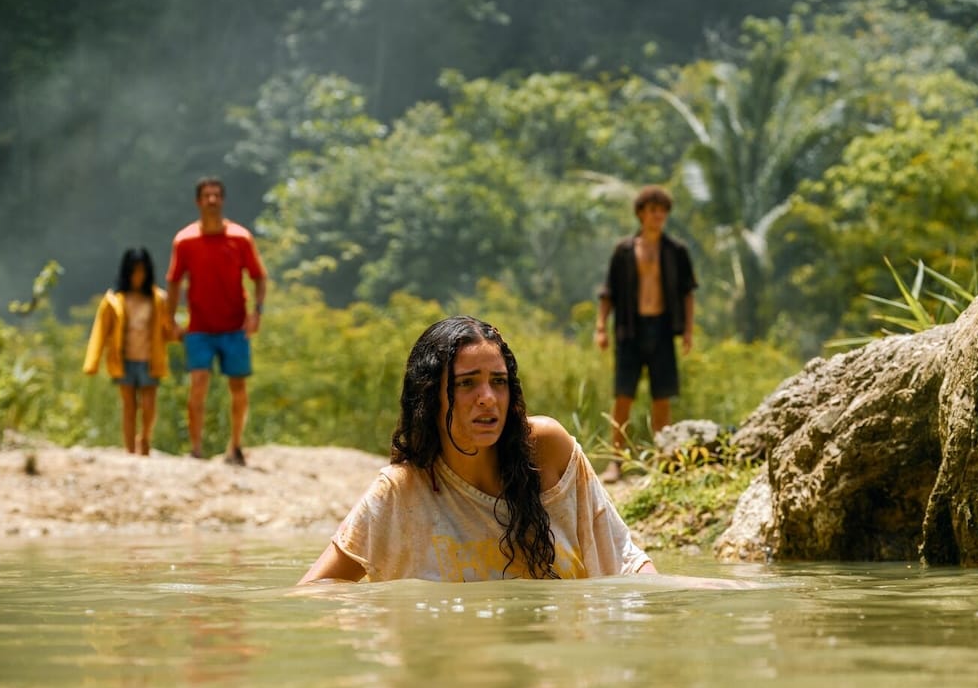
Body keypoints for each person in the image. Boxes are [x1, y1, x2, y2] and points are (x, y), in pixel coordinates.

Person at [299, 315, 657, 583]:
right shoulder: (402, 490)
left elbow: (626, 561)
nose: (487, 399)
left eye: (498, 382)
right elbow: (316, 592)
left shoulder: (546, 450)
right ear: (429, 398)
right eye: (467, 383)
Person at [595, 185, 698, 483]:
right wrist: (601, 327)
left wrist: (688, 329)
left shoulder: (676, 251)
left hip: (663, 328)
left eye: (663, 210)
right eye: (653, 210)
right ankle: (616, 462)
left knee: (662, 398)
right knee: (623, 396)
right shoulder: (624, 251)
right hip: (630, 329)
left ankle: (663, 460)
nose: (659, 216)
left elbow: (687, 293)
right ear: (641, 213)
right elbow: (608, 293)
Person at [166, 176, 268, 465]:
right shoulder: (185, 240)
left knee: (238, 387)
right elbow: (173, 282)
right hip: (199, 326)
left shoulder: (240, 237)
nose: (212, 201)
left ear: (222, 200)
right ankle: (196, 450)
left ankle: (235, 446)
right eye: (206, 196)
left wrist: (257, 312)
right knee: (198, 384)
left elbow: (259, 277)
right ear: (198, 201)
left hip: (234, 326)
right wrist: (170, 319)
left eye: (216, 196)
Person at [83, 248, 175, 455]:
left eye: (142, 271)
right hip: (123, 360)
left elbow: (167, 329)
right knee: (129, 406)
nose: (138, 276)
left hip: (150, 360)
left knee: (149, 405)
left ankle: (145, 439)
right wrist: (92, 362)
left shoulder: (158, 299)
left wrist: (182, 333)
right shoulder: (113, 301)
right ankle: (130, 449)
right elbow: (100, 331)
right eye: (134, 271)